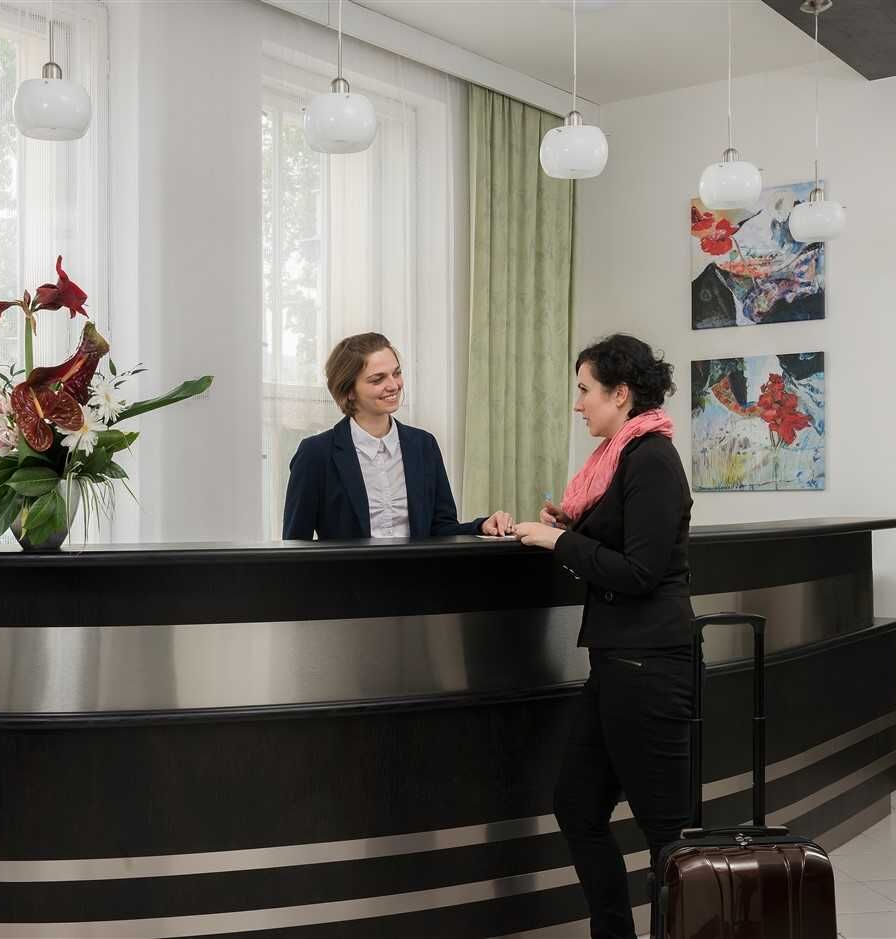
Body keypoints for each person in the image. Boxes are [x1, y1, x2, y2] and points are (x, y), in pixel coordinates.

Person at [513, 334, 694, 939]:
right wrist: (573, 526)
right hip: (618, 661)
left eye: (585, 390)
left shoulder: (651, 459)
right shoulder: (621, 458)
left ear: (621, 394)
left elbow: (640, 572)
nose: (578, 404)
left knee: (665, 833)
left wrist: (560, 541)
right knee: (577, 806)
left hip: (650, 664)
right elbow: (619, 542)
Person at [283, 332, 513, 540]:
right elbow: (295, 545)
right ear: (349, 391)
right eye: (378, 379)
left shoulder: (424, 445)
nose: (394, 385)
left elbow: (442, 530)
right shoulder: (316, 454)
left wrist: (481, 526)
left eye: (397, 373)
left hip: (417, 574)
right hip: (349, 576)